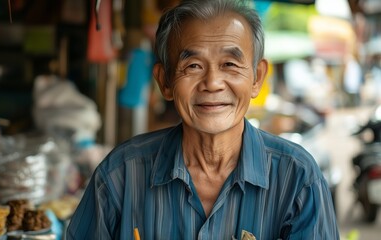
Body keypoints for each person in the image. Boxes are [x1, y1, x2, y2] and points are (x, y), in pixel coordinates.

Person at [66, 0, 340, 239]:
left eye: (230, 65)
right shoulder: (120, 175)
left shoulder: (298, 178)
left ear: (257, 78)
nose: (212, 83)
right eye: (193, 66)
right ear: (165, 82)